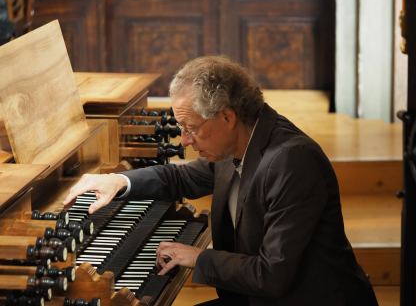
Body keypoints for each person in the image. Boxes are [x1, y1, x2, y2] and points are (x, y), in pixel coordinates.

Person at [63, 56, 378, 305]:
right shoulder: (239, 142)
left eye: (191, 127)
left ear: (227, 117)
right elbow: (180, 177)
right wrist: (118, 181)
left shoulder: (290, 161)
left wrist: (199, 256)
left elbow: (271, 276)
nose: (185, 140)